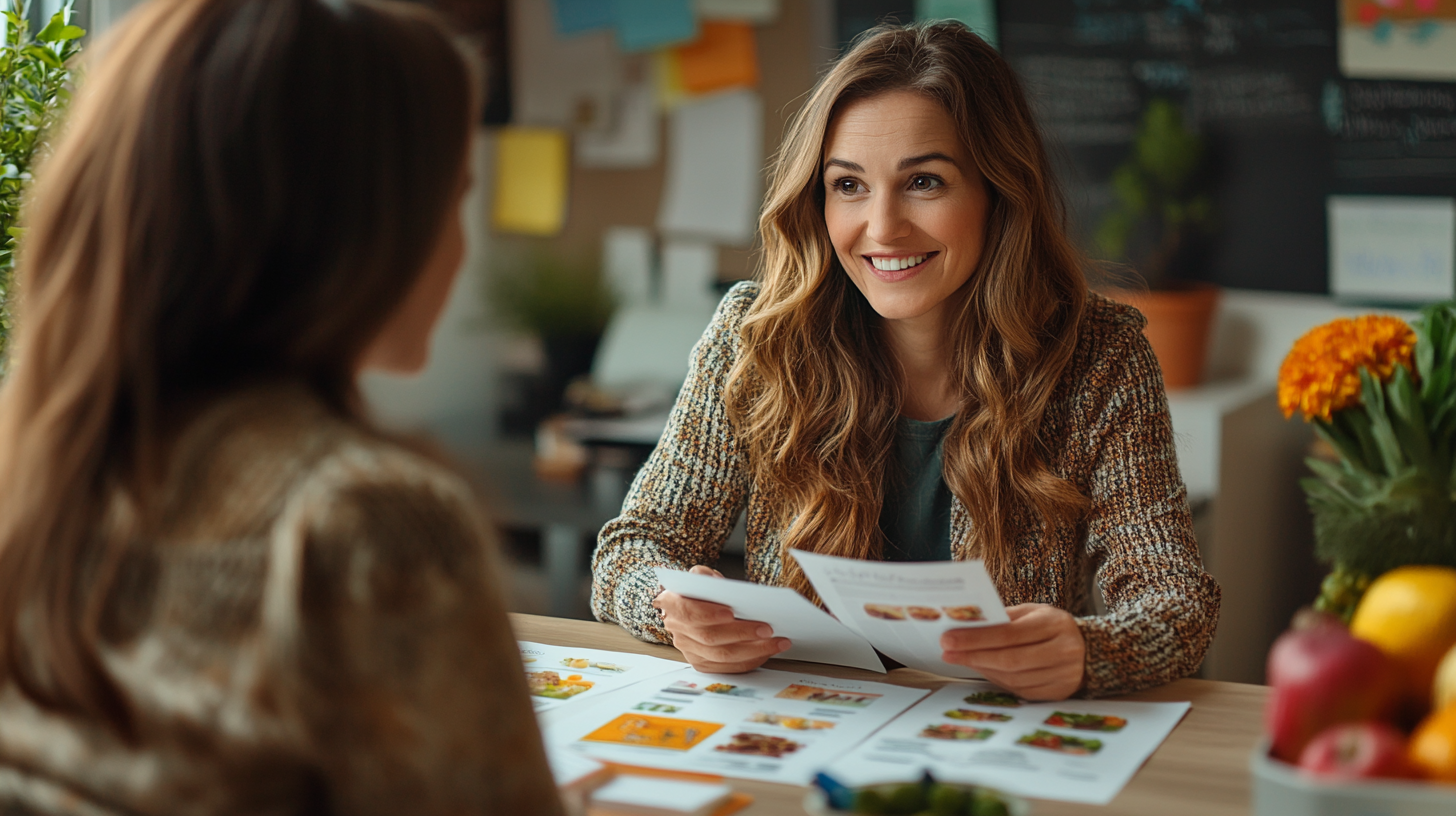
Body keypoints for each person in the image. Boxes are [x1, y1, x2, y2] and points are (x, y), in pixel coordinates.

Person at [0, 1, 562, 814]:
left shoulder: (37, 470)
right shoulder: (363, 520)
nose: (460, 245)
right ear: (354, 223)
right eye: (454, 198)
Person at [591, 22, 1220, 702]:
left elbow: (1176, 601)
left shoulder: (1100, 356)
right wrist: (671, 608)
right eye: (849, 185)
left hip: (997, 748)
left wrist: (1089, 650)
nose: (883, 227)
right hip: (804, 735)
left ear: (998, 192)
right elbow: (631, 548)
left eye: (924, 181)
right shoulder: (756, 336)